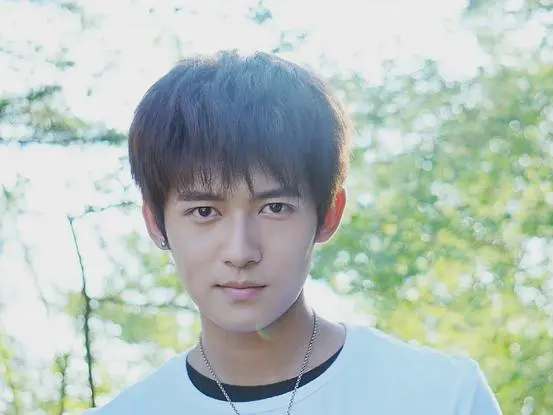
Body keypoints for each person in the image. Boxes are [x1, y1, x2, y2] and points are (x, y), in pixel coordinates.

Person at [88, 50, 503, 414]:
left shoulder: (444, 398)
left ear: (329, 214)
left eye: (274, 208)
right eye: (204, 211)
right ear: (155, 223)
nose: (240, 252)